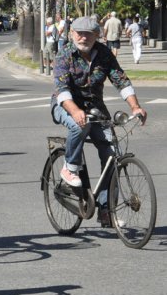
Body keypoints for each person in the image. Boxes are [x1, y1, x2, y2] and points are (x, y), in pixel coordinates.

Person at [52, 16, 147, 226]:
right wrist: (75, 110)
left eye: (88, 34)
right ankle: (69, 168)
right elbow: (61, 89)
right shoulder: (65, 54)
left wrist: (135, 106)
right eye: (79, 33)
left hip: (95, 108)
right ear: (71, 34)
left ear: (97, 35)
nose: (83, 37)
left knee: (111, 155)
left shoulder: (104, 53)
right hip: (66, 105)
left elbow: (120, 79)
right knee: (80, 124)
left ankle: (106, 211)